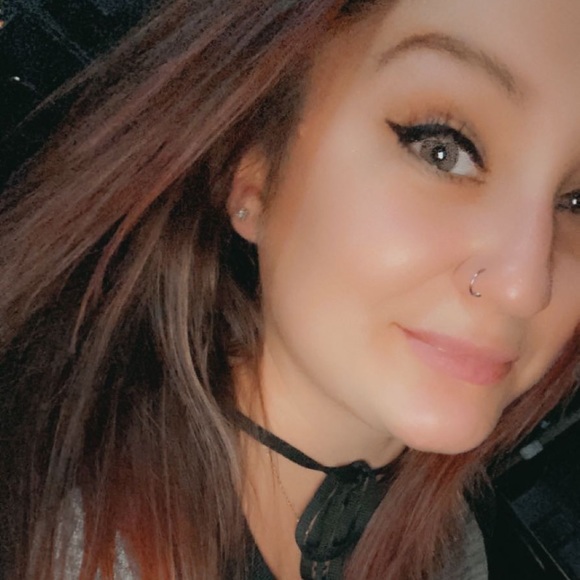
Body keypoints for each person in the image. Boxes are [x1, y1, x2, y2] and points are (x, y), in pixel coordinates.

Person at [1, 0, 580, 577]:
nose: (524, 287)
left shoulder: (452, 548)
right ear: (252, 172)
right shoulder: (74, 545)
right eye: (442, 150)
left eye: (576, 202)